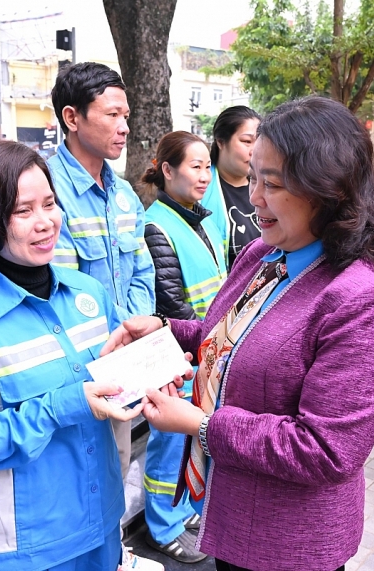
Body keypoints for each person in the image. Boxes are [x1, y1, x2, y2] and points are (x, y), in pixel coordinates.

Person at [102, 97, 374, 571]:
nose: (255, 196)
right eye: (253, 176)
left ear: (327, 191)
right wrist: (165, 330)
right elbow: (230, 336)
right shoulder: (263, 257)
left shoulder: (361, 300)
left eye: (274, 183)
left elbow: (326, 449)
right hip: (229, 511)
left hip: (287, 540)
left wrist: (201, 425)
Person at [0, 139, 162, 571]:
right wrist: (65, 405)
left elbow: (110, 391)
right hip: (25, 550)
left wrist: (146, 375)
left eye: (50, 203)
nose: (46, 222)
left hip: (102, 524)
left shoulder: (87, 293)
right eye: (23, 211)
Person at [47, 63, 156, 527]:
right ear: (72, 118)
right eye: (112, 115)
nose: (124, 127)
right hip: (77, 369)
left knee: (119, 463)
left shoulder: (125, 193)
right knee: (79, 474)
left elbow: (142, 271)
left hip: (123, 361)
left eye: (125, 115)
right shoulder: (48, 191)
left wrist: (132, 337)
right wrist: (113, 348)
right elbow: (61, 289)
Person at [140, 131, 228, 563]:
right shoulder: (157, 225)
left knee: (191, 439)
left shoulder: (203, 217)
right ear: (167, 170)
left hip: (206, 350)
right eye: (194, 166)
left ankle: (181, 510)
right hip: (179, 352)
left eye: (207, 166)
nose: (204, 174)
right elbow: (172, 300)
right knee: (169, 445)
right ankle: (161, 525)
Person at [199, 105, 262, 268]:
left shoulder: (270, 187)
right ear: (221, 142)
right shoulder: (199, 191)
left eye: (259, 141)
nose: (254, 150)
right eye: (247, 141)